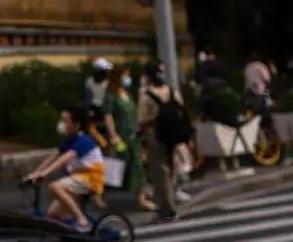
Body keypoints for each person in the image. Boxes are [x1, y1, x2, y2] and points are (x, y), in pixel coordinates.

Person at [23, 107, 105, 230]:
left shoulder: (84, 140)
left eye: (65, 121)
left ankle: (82, 221)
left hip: (91, 178)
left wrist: (45, 173)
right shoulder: (70, 139)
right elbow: (54, 155)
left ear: (77, 125)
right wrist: (35, 173)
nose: (61, 124)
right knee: (52, 215)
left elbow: (65, 158)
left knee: (56, 186)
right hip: (77, 178)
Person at [138, 59, 184, 223]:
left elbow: (142, 119)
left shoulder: (147, 95)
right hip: (173, 136)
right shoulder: (172, 91)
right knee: (171, 171)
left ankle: (166, 211)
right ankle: (170, 206)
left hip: (155, 136)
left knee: (159, 174)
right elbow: (181, 110)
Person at [103, 66, 155, 212]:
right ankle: (100, 194)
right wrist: (113, 135)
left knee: (137, 165)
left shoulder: (127, 94)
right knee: (122, 168)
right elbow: (108, 115)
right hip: (122, 135)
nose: (127, 78)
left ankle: (141, 198)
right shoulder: (111, 95)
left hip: (134, 135)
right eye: (125, 75)